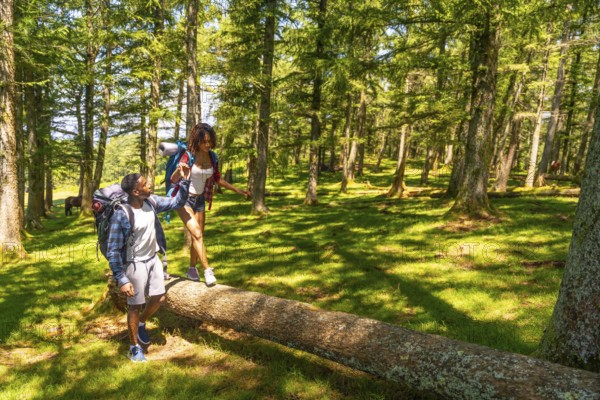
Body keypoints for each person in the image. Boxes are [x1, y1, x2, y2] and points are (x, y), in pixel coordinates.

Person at [107, 168, 191, 362]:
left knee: (159, 298)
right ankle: (134, 347)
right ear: (135, 192)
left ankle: (142, 323)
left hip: (153, 259)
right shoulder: (122, 214)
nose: (149, 185)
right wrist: (121, 278)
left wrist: (185, 181)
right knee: (135, 306)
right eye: (145, 184)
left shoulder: (151, 202)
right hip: (134, 264)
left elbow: (177, 202)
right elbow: (113, 250)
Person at [170, 122, 249, 285]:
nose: (207, 144)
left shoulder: (213, 157)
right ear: (197, 140)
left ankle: (192, 269)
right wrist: (180, 169)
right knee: (197, 233)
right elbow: (173, 179)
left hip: (199, 200)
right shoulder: (188, 155)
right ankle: (207, 270)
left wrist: (238, 190)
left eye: (209, 141)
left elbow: (217, 179)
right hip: (183, 199)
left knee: (198, 236)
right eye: (204, 141)